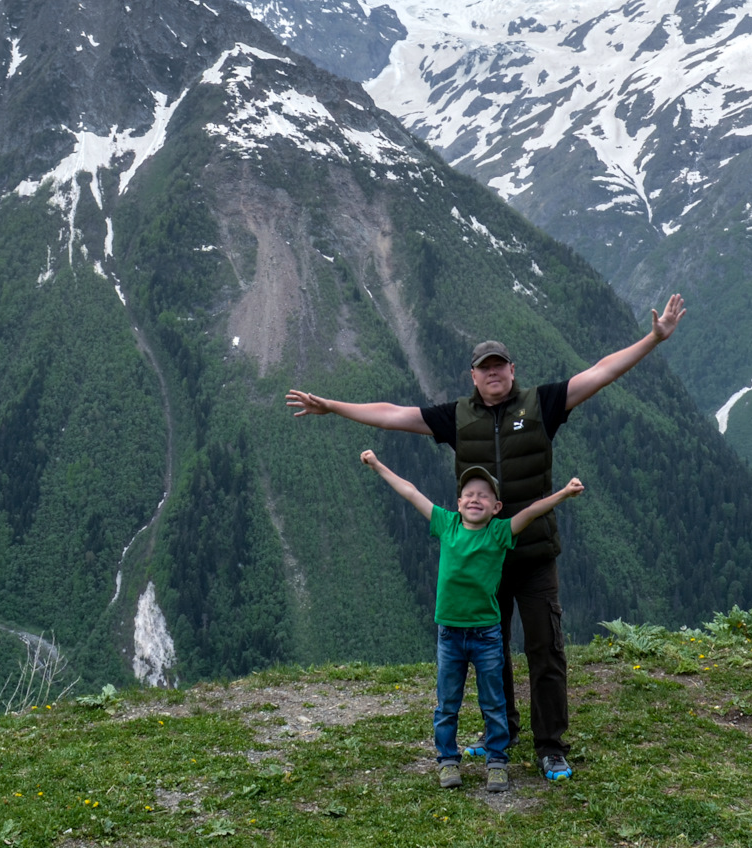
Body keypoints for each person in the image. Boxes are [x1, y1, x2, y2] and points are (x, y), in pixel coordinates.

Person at [287, 293, 685, 781]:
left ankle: (550, 746)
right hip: (482, 562)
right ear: (473, 376)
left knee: (545, 650)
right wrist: (332, 406)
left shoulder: (542, 404)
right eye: (484, 368)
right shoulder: (457, 417)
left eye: (500, 366)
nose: (493, 373)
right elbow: (393, 412)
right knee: (491, 655)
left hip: (534, 554)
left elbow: (601, 371)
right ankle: (505, 734)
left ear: (512, 371)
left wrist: (653, 338)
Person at [359, 447, 584, 792]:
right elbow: (410, 491)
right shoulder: (445, 524)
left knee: (494, 701)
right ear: (458, 502)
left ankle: (497, 760)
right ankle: (447, 760)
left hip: (487, 634)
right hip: (450, 635)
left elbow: (532, 511)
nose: (474, 499)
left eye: (484, 495)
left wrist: (564, 494)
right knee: (447, 702)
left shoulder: (499, 532)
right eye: (468, 494)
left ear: (496, 508)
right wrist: (377, 466)